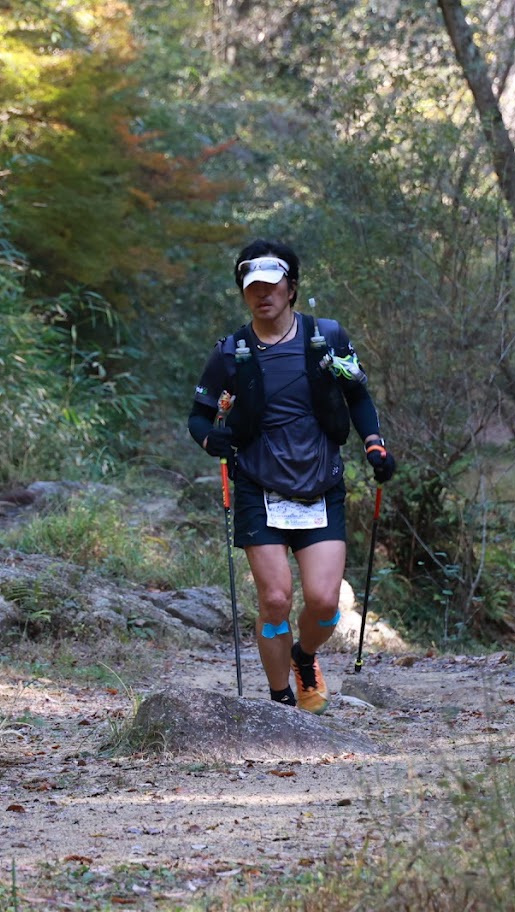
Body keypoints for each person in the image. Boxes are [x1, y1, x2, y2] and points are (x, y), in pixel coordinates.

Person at [187, 239, 396, 713]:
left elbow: (358, 396)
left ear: (291, 287)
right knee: (276, 598)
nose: (262, 295)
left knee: (324, 604)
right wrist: (210, 440)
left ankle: (305, 656)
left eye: (271, 285)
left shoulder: (328, 337)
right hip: (258, 486)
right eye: (251, 287)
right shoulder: (230, 352)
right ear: (243, 293)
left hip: (320, 483)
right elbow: (198, 418)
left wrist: (374, 443)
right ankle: (281, 703)